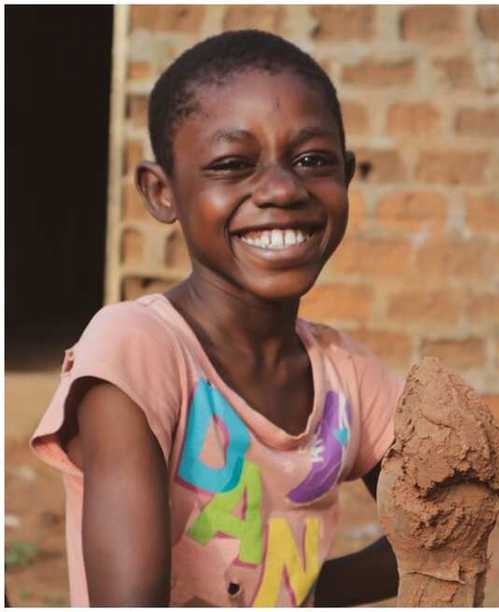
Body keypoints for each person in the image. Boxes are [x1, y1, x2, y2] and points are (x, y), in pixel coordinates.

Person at [30, 31, 403, 606]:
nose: (282, 189)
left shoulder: (348, 375)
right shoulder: (136, 350)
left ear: (346, 176)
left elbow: (438, 533)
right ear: (162, 193)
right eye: (232, 164)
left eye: (311, 160)